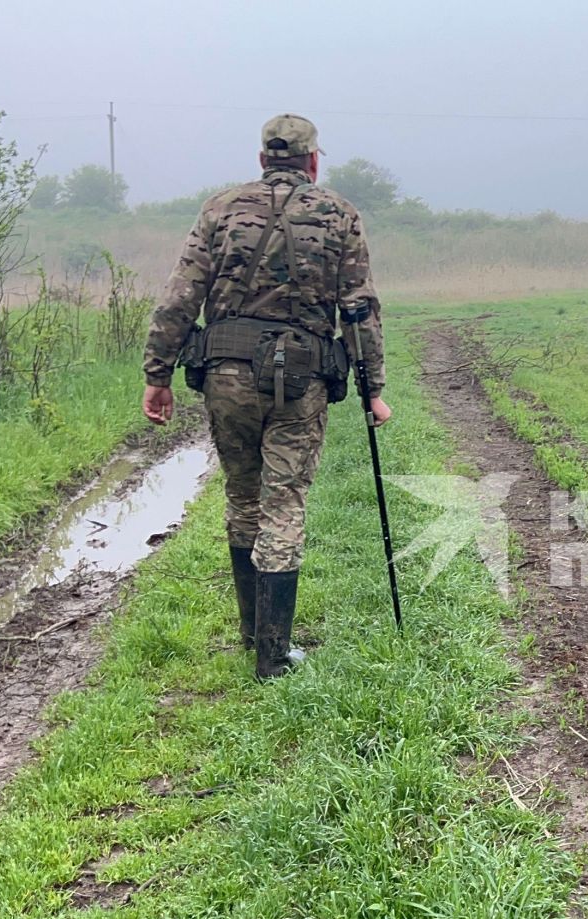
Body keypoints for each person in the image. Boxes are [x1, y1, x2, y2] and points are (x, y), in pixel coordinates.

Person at [141, 113, 389, 679]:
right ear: (312, 161)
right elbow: (359, 310)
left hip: (226, 377)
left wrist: (158, 374)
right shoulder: (339, 214)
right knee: (284, 505)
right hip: (300, 381)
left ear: (262, 159)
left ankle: (254, 634)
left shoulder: (220, 209)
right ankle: (272, 656)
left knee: (243, 497)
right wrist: (374, 388)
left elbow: (180, 296)